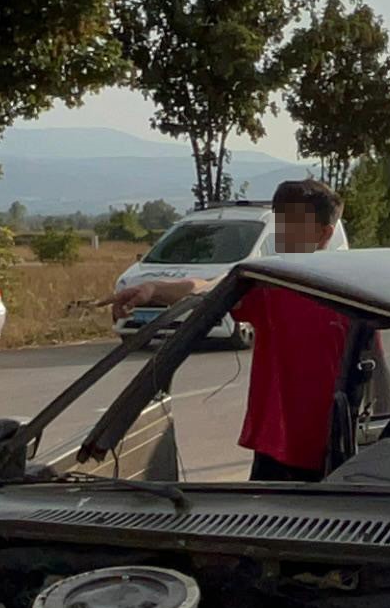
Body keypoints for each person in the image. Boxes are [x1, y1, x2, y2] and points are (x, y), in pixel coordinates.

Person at [111, 178, 354, 481]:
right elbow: (208, 288)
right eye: (279, 224)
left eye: (293, 225)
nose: (280, 235)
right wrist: (151, 288)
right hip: (276, 448)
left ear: (324, 234)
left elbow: (370, 374)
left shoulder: (353, 297)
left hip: (337, 451)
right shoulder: (269, 285)